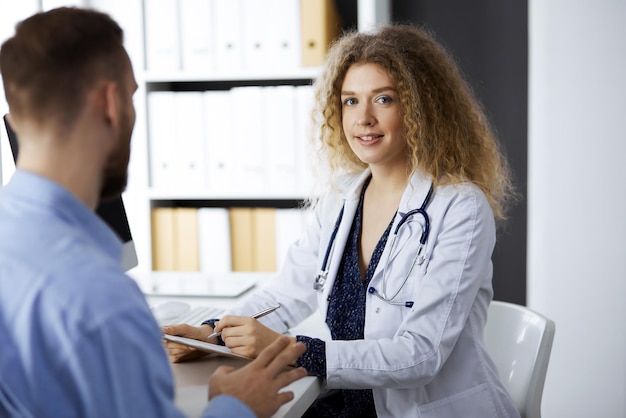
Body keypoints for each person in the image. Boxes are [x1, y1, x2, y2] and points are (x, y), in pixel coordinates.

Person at [164, 24, 520, 417]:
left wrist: (289, 350)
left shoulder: (460, 208)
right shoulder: (341, 197)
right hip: (347, 405)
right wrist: (211, 334)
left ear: (422, 108)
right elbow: (285, 295)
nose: (363, 118)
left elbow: (421, 354)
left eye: (383, 99)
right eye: (350, 101)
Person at [0, 7, 307, 418]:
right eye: (130, 96)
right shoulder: (98, 299)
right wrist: (236, 407)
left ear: (16, 117)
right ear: (110, 103)